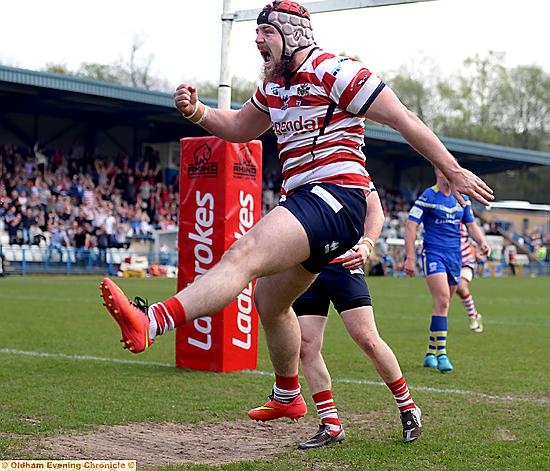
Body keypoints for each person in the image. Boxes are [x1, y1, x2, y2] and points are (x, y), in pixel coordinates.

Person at [99, 0, 493, 423]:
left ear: (294, 34)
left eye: (266, 33)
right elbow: (238, 128)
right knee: (269, 302)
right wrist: (198, 112)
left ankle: (151, 321)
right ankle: (288, 394)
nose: (257, 39)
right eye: (257, 33)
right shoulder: (274, 87)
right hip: (307, 202)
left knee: (243, 254)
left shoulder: (337, 71)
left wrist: (453, 169)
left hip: (338, 197)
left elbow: (403, 118)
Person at [289, 186, 421, 449]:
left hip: (344, 266)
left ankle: (408, 408)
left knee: (367, 338)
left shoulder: (347, 163)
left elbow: (376, 211)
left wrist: (367, 243)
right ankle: (330, 424)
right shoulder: (296, 167)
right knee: (306, 346)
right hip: (307, 269)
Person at [404, 167, 491, 373]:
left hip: (455, 257)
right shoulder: (428, 196)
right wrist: (410, 257)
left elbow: (471, 225)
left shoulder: (461, 199)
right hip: (434, 254)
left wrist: (482, 242)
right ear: (437, 171)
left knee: (443, 307)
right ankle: (442, 354)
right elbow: (411, 225)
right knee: (443, 300)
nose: (447, 173)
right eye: (443, 170)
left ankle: (429, 353)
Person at [455, 222, 490, 333]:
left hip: (466, 260)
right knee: (450, 291)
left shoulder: (465, 220)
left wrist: (479, 249)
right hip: (448, 261)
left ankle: (472, 317)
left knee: (461, 287)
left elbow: (475, 236)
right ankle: (474, 314)